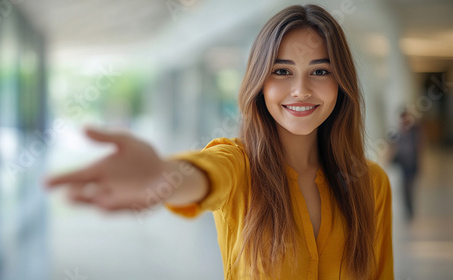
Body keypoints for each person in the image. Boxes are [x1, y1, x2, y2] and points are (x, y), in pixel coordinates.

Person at [46, 4, 394, 280]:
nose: (301, 89)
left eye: (320, 71)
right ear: (259, 81)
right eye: (282, 71)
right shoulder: (240, 165)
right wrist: (163, 177)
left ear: (341, 82)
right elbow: (205, 174)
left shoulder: (371, 183)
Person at [391, 109, 423, 221]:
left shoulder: (415, 131)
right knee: (404, 188)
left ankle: (410, 209)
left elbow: (419, 147)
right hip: (402, 164)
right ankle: (408, 210)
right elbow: (392, 148)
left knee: (410, 187)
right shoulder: (397, 133)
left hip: (412, 164)